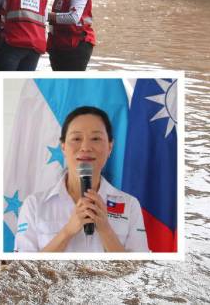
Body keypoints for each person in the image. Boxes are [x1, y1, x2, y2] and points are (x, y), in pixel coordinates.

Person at [15, 106, 150, 252]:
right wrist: (67, 231)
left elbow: (138, 271)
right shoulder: (34, 205)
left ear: (110, 147)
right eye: (76, 138)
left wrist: (105, 229)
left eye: (96, 138)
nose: (85, 147)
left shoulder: (130, 205)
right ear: (63, 147)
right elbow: (22, 269)